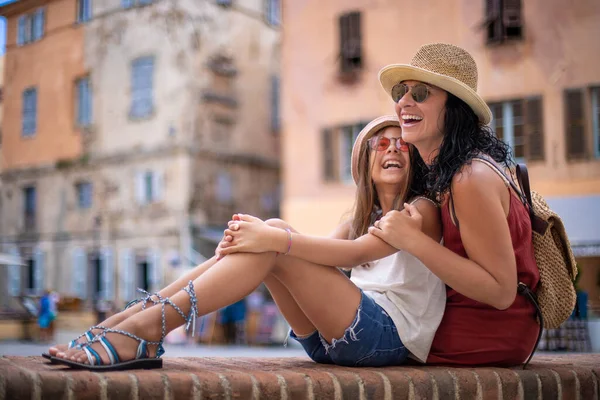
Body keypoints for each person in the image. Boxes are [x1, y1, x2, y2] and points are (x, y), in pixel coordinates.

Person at [49, 115, 445, 370]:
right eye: (382, 143)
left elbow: (357, 254)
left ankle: (144, 329)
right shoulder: (359, 218)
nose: (393, 149)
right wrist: (254, 238)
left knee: (273, 238)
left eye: (403, 144)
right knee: (271, 231)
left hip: (387, 338)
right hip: (337, 340)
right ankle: (129, 320)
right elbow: (315, 256)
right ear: (364, 160)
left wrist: (270, 238)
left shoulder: (421, 210)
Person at [370, 43, 540, 366]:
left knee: (352, 330)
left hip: (488, 331)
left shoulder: (469, 177)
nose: (403, 102)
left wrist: (413, 241)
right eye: (399, 92)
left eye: (420, 93)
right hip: (477, 324)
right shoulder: (450, 174)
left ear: (455, 108)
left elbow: (502, 290)